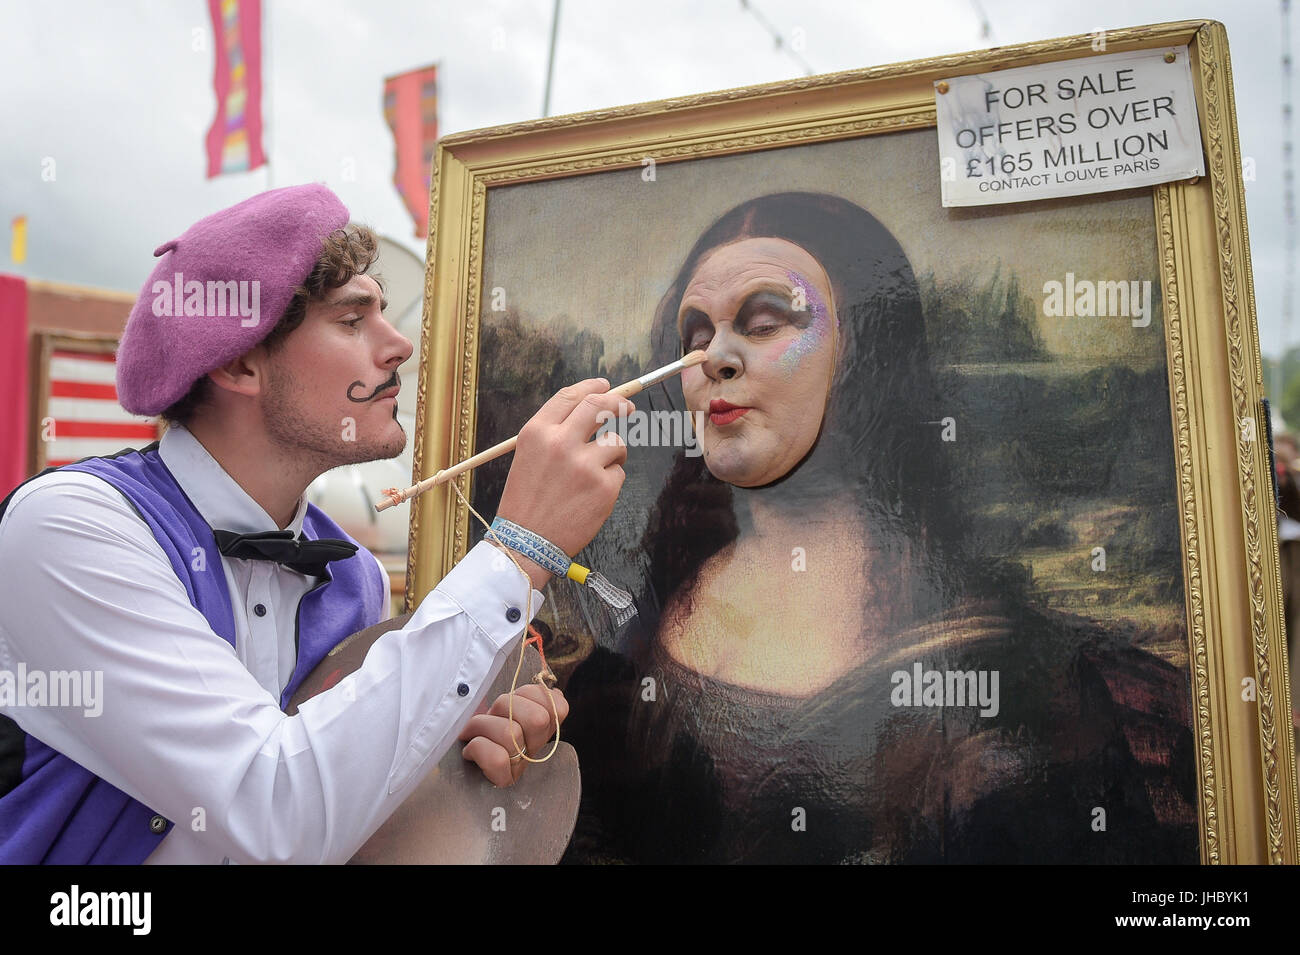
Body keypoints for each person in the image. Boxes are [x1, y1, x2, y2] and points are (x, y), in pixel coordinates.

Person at [0, 184, 633, 864]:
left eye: (383, 315)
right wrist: (518, 550)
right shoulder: (72, 525)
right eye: (352, 319)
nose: (397, 347)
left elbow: (340, 816)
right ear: (239, 359)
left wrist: (448, 752)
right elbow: (275, 809)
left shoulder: (353, 574)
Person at [562, 192, 1199, 864]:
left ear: (864, 354)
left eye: (765, 322)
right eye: (696, 334)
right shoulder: (648, 622)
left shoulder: (1003, 667)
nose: (715, 357)